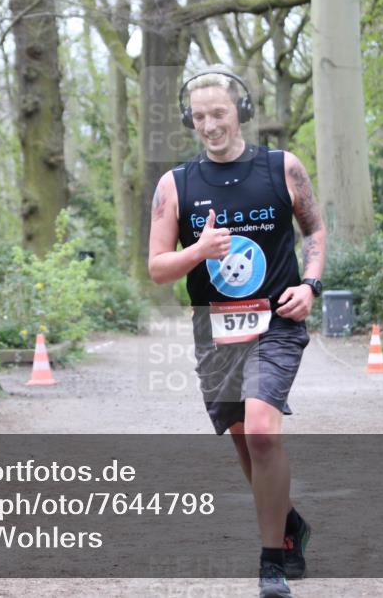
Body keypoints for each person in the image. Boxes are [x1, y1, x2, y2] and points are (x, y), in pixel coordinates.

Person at [147, 66, 326, 598]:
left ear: (240, 112)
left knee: (264, 429)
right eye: (199, 117)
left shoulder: (282, 169)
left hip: (276, 320)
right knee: (247, 439)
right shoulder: (175, 186)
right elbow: (157, 267)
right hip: (215, 329)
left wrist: (311, 284)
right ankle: (288, 522)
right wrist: (198, 251)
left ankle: (273, 562)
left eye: (219, 113)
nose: (210, 125)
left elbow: (314, 228)